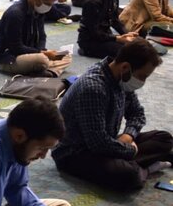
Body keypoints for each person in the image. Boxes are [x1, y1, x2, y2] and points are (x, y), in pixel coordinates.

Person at [52, 39, 173, 191]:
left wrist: (128, 135)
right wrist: (130, 150)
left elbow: (137, 114)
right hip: (76, 153)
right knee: (128, 176)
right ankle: (144, 169)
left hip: (108, 142)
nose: (143, 81)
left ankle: (134, 164)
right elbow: (97, 144)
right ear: (125, 67)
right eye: (142, 76)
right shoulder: (94, 88)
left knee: (164, 139)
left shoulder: (122, 79)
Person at [0, 0, 72, 77]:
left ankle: (47, 71)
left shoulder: (37, 11)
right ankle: (45, 68)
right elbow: (16, 47)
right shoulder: (15, 14)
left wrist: (42, 50)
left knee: (66, 56)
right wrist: (42, 53)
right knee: (42, 60)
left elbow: (42, 36)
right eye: (48, 4)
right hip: (10, 58)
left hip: (30, 53)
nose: (50, 8)